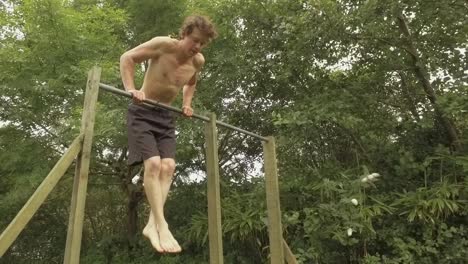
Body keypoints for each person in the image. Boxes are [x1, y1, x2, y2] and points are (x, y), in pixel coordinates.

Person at [119, 15, 217, 253]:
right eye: (194, 40)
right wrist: (131, 89)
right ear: (184, 34)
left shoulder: (197, 62)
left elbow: (191, 82)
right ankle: (161, 225)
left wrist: (187, 102)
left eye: (202, 44)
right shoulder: (163, 45)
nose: (197, 47)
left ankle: (152, 225)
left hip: (165, 117)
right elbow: (127, 58)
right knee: (152, 164)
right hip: (143, 112)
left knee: (169, 166)